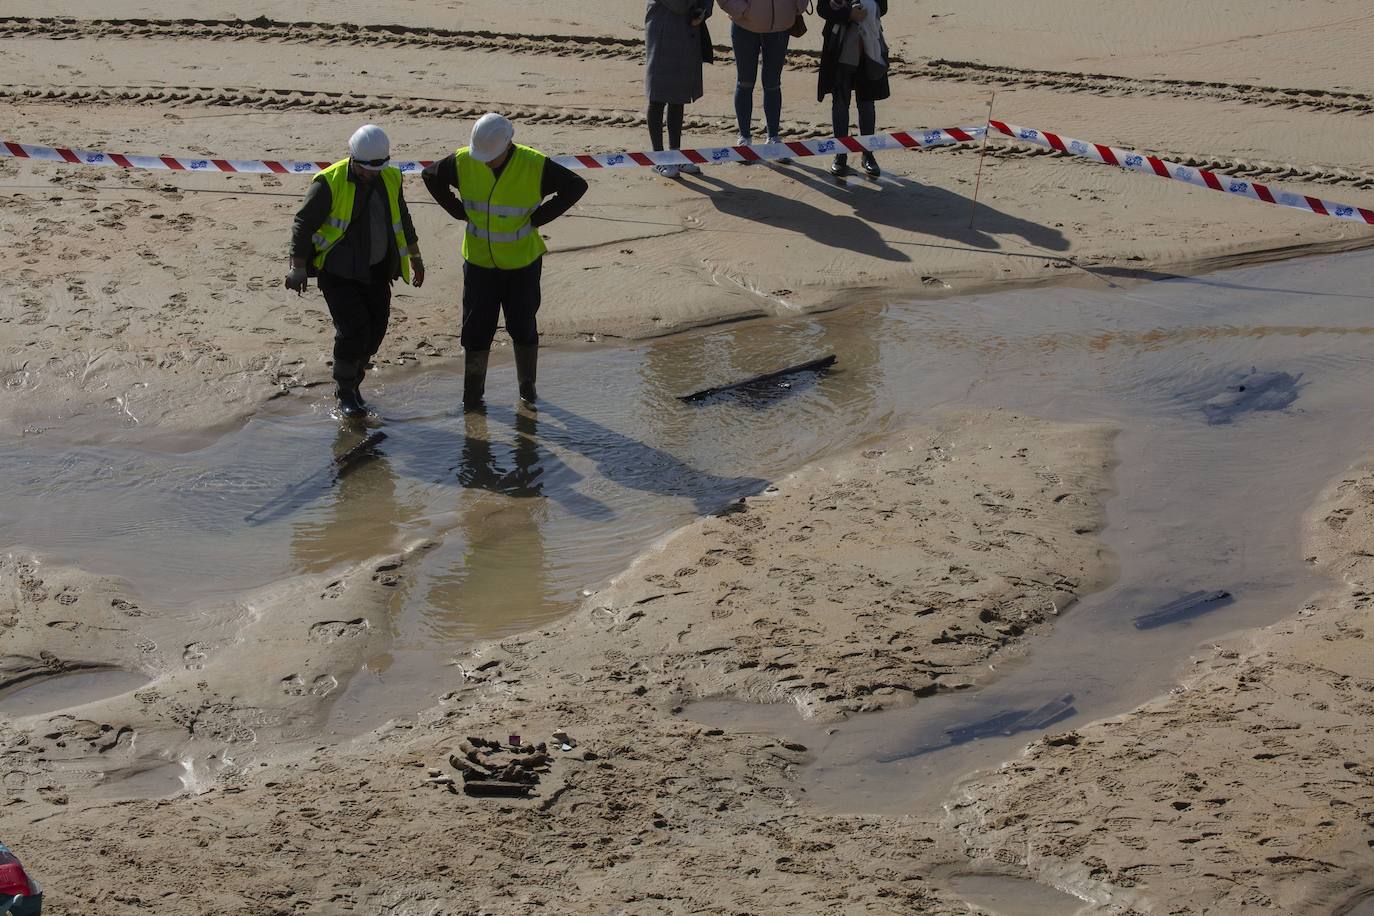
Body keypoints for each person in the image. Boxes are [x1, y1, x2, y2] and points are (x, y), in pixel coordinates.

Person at [422, 113, 588, 411]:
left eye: (491, 158)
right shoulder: (463, 161)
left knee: (522, 326)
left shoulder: (535, 164)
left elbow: (576, 186)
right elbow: (430, 176)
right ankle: (472, 398)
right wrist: (457, 211)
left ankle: (528, 392)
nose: (485, 162)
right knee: (475, 331)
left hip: (522, 264)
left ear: (508, 146)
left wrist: (539, 218)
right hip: (479, 263)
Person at [286, 124, 424, 418]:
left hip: (377, 270)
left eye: (376, 169)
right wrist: (297, 267)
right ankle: (346, 390)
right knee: (353, 330)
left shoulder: (390, 176)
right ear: (353, 158)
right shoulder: (328, 182)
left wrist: (415, 255)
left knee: (376, 329)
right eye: (365, 169)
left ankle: (355, 380)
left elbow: (402, 216)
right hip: (338, 272)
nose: (371, 174)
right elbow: (303, 223)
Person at [717, 0, 811, 153]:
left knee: (773, 84)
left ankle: (773, 137)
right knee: (745, 83)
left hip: (781, 25)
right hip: (744, 25)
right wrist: (739, 9)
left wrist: (797, 5)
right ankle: (744, 138)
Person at [644, 0, 716, 178]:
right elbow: (677, 4)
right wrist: (695, 7)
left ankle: (675, 154)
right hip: (663, 28)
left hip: (688, 29)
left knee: (678, 95)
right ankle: (659, 157)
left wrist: (703, 12)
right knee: (658, 96)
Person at [818, 0, 889, 178]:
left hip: (868, 46)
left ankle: (868, 154)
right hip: (838, 47)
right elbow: (822, 8)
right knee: (840, 102)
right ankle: (840, 154)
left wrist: (866, 7)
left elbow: (883, 7)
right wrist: (847, 13)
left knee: (867, 103)